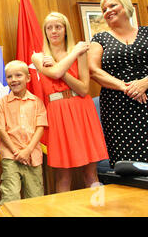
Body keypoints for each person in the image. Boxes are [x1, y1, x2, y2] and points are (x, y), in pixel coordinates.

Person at [89, 0, 148, 168]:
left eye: (112, 6)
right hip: (116, 108)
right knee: (125, 164)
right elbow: (93, 71)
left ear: (126, 6)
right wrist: (126, 87)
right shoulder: (99, 39)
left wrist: (145, 82)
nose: (108, 11)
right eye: (104, 9)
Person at [32, 12, 109, 193]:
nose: (54, 31)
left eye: (58, 26)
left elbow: (83, 88)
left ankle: (98, 210)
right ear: (45, 32)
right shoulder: (39, 56)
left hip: (81, 109)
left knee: (91, 173)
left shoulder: (80, 53)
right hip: (57, 112)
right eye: (49, 28)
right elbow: (54, 74)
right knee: (63, 176)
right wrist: (71, 55)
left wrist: (61, 63)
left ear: (66, 29)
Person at [0, 60, 47, 204]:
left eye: (18, 75)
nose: (14, 80)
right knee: (11, 196)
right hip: (11, 156)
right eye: (9, 77)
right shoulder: (2, 103)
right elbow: (0, 129)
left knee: (35, 197)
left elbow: (40, 128)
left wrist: (27, 150)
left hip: (32, 156)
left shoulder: (37, 102)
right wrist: (16, 151)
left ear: (28, 78)